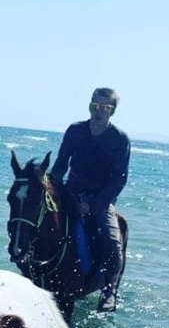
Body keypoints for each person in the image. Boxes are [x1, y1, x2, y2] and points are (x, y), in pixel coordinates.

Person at [49, 88, 130, 312]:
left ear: (112, 111)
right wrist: (51, 186)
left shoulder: (120, 139)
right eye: (95, 105)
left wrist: (94, 205)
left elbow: (119, 179)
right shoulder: (75, 130)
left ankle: (110, 290)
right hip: (71, 192)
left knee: (113, 241)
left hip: (100, 200)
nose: (98, 111)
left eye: (104, 107)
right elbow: (60, 165)